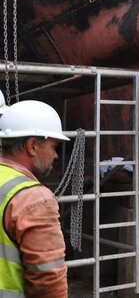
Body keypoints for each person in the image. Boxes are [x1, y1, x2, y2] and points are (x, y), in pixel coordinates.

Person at [0, 99, 70, 297]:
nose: (56, 155)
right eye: (53, 146)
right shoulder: (34, 199)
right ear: (31, 145)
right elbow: (48, 281)